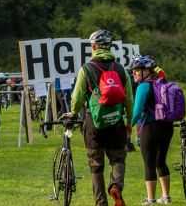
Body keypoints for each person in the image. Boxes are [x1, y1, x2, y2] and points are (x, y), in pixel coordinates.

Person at [66, 29, 133, 206]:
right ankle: (116, 185)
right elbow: (129, 99)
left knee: (96, 166)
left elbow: (78, 97)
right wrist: (129, 121)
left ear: (94, 47)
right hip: (116, 121)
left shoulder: (86, 69)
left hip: (93, 123)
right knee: (118, 159)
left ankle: (100, 202)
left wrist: (73, 112)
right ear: (110, 47)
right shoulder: (121, 69)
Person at [131, 55, 174, 205]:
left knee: (149, 163)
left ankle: (150, 199)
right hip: (167, 127)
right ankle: (166, 196)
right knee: (161, 161)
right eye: (133, 71)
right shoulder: (162, 83)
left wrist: (127, 126)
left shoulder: (143, 86)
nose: (134, 73)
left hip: (149, 128)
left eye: (137, 70)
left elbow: (136, 112)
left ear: (147, 71)